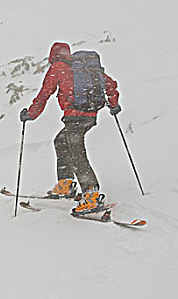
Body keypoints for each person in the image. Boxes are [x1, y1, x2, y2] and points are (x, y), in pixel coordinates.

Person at [19, 42, 121, 215]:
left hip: (75, 115)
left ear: (53, 55)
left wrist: (30, 114)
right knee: (61, 141)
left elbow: (45, 93)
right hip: (90, 115)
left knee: (76, 152)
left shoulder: (58, 68)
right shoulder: (84, 70)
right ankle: (66, 184)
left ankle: (91, 195)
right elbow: (110, 84)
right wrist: (113, 105)